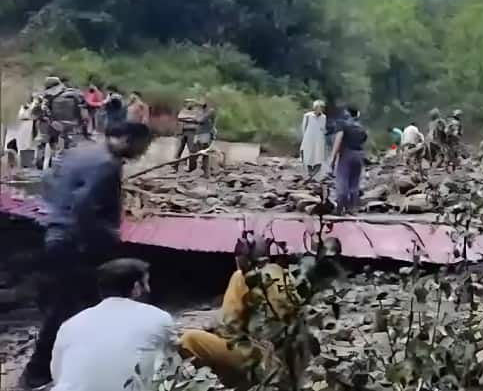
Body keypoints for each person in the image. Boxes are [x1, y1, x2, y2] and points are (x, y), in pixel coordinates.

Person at [21, 122, 153, 389]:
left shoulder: (81, 151)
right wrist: (108, 236)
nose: (142, 153)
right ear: (128, 139)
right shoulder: (108, 164)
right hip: (78, 244)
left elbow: (47, 180)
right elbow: (85, 206)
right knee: (68, 310)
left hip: (58, 235)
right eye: (142, 147)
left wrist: (57, 215)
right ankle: (37, 373)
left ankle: (60, 369)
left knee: (71, 307)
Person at [179, 235, 303, 388]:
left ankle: (232, 382)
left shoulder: (242, 277)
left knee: (189, 339)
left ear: (243, 260)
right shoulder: (285, 275)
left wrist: (212, 328)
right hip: (288, 352)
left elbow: (229, 324)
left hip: (256, 356)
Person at [51, 258, 174, 391]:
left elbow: (58, 375)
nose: (149, 289)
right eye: (146, 283)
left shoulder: (70, 324)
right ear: (136, 288)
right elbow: (171, 363)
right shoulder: (158, 317)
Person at [330, 107, 367, 213]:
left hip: (347, 154)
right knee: (354, 183)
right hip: (359, 155)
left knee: (342, 180)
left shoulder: (343, 125)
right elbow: (363, 140)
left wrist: (333, 158)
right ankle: (352, 208)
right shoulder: (361, 128)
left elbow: (338, 140)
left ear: (348, 114)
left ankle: (340, 207)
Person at [300, 100, 328, 178]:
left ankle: (314, 174)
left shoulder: (324, 117)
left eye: (322, 108)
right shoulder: (308, 116)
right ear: (315, 108)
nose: (320, 109)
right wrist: (305, 138)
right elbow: (304, 128)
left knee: (318, 156)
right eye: (319, 108)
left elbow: (323, 128)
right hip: (309, 138)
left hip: (319, 139)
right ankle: (310, 173)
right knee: (308, 155)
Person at [173, 99, 202, 172]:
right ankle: (174, 167)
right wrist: (191, 118)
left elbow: (198, 119)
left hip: (192, 132)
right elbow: (180, 117)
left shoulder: (197, 111)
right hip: (181, 132)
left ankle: (192, 168)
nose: (188, 104)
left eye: (190, 103)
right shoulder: (183, 110)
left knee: (192, 150)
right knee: (178, 150)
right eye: (187, 103)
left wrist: (187, 118)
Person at [194, 103, 217, 175]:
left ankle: (206, 171)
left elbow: (200, 120)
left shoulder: (209, 113)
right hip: (201, 134)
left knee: (205, 153)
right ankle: (203, 170)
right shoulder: (203, 113)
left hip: (206, 134)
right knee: (199, 152)